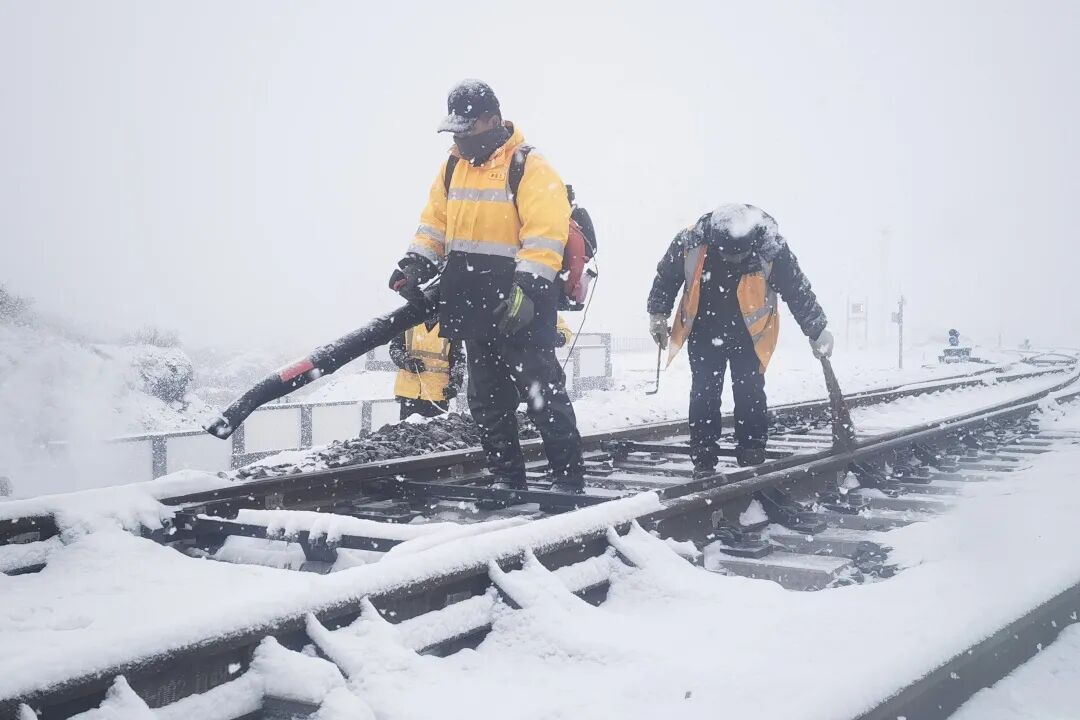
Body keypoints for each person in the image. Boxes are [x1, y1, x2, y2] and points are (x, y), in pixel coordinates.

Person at [389, 80, 586, 493]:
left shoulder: (529, 165)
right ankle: (507, 479)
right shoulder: (452, 166)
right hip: (472, 300)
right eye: (455, 131)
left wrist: (526, 289)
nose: (460, 138)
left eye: (468, 129)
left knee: (542, 395)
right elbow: (434, 224)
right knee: (487, 401)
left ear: (492, 121)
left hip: (520, 303)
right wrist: (416, 263)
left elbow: (545, 235)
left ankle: (568, 481)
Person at [646, 204, 833, 474]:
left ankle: (752, 452)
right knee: (704, 392)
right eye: (727, 254)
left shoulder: (771, 247)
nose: (733, 260)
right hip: (704, 330)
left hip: (750, 335)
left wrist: (817, 330)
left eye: (740, 254)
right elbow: (666, 277)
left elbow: (796, 290)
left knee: (750, 393)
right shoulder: (691, 242)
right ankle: (703, 455)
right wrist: (657, 313)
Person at [389, 321, 463, 420]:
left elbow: (458, 361)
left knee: (434, 429)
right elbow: (394, 349)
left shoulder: (450, 327)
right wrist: (407, 363)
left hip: (438, 394)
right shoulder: (408, 322)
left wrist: (455, 384)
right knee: (411, 428)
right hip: (409, 393)